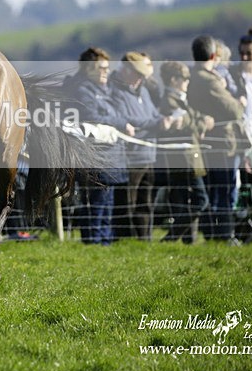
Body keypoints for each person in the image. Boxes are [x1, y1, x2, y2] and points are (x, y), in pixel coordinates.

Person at [65, 47, 134, 245]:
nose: (106, 71)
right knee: (96, 203)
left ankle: (105, 241)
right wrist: (121, 123)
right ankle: (94, 242)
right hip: (96, 157)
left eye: (107, 68)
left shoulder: (106, 90)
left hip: (112, 155)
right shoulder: (82, 90)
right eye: (101, 68)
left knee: (107, 203)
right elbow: (91, 116)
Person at [187, 36, 245, 243]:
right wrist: (240, 101)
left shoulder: (192, 76)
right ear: (213, 55)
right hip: (222, 143)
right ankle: (224, 235)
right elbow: (235, 111)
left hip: (206, 143)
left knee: (213, 190)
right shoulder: (209, 80)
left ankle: (213, 233)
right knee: (224, 190)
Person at [109, 52, 173, 241]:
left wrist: (162, 120)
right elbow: (125, 118)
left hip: (148, 154)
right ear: (127, 71)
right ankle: (127, 239)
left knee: (145, 201)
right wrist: (156, 123)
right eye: (138, 75)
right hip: (131, 157)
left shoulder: (143, 91)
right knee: (128, 201)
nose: (141, 80)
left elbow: (152, 114)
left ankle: (144, 239)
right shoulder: (114, 91)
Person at [157, 61, 213, 244]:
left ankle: (188, 240)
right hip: (183, 158)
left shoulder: (180, 98)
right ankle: (171, 237)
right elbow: (184, 123)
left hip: (187, 157)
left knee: (183, 200)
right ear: (174, 80)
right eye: (185, 78)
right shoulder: (169, 101)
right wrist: (202, 123)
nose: (188, 82)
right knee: (200, 200)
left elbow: (190, 118)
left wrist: (198, 119)